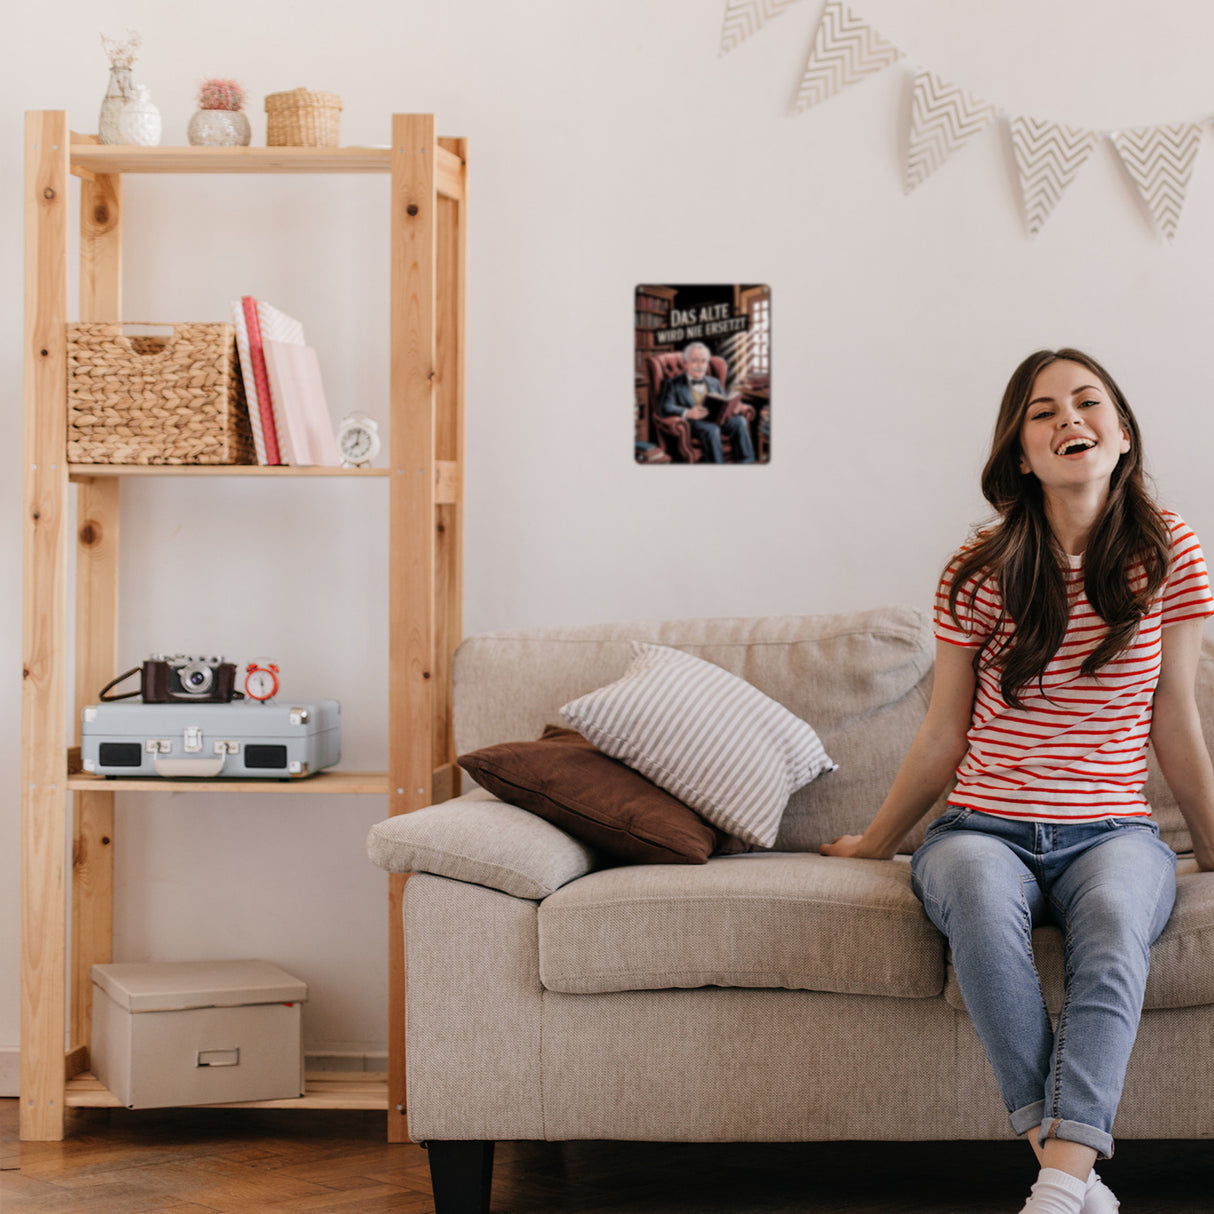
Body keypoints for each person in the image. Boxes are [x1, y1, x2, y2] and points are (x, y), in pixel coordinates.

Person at [821, 348, 1214, 1214]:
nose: (1068, 419)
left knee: (1115, 921)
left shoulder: (1170, 551)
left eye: (1087, 403)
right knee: (976, 904)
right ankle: (1071, 1176)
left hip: (1113, 833)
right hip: (979, 828)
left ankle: (1058, 1185)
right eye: (1043, 411)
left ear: (1121, 438)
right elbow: (943, 732)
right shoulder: (978, 567)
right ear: (1021, 453)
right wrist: (877, 843)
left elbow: (1174, 718)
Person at [658, 341, 755, 463]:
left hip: (718, 419)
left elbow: (724, 400)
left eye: (704, 361)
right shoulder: (672, 384)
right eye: (695, 360)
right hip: (695, 423)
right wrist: (688, 413)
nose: (700, 365)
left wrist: (734, 408)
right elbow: (664, 407)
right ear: (686, 362)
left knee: (740, 421)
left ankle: (747, 462)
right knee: (712, 429)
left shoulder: (714, 382)